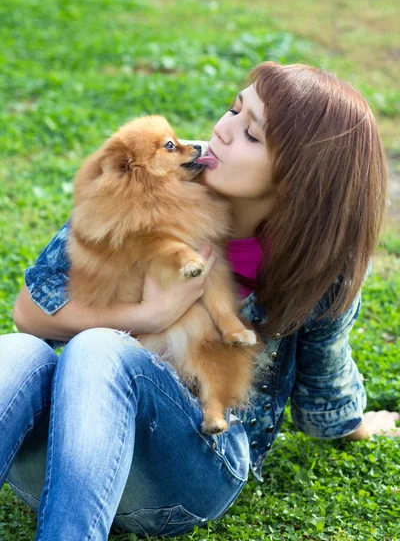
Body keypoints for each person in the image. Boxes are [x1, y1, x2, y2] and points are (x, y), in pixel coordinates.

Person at [2, 61, 399, 541]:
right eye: (234, 109)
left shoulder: (320, 270)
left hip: (186, 473)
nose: (221, 130)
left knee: (98, 349)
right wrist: (149, 315)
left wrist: (353, 424)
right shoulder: (154, 176)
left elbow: (324, 382)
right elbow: (28, 313)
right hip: (73, 456)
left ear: (301, 179)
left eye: (251, 133)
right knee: (17, 352)